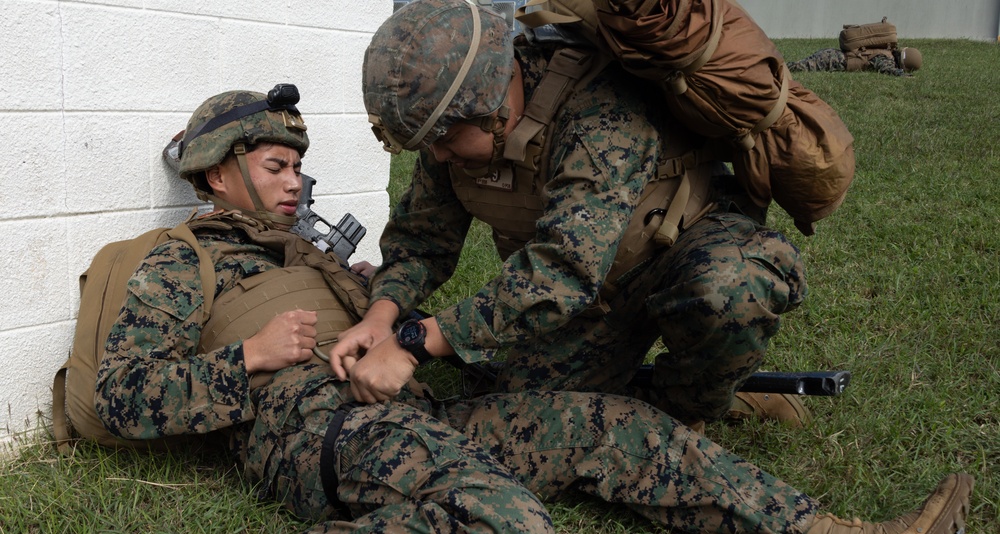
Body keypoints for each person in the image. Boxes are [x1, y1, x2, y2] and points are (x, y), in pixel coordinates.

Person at [95, 86, 974, 534]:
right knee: (509, 533)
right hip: (318, 433)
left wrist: (376, 312)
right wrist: (248, 358)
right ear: (216, 173)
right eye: (275, 166)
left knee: (602, 422)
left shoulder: (315, 259)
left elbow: (412, 286)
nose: (296, 184)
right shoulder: (183, 262)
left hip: (416, 411)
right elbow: (121, 395)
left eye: (298, 166)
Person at [334, 0, 813, 431]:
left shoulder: (597, 110)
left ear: (496, 103)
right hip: (596, 294)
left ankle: (692, 406)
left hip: (678, 253)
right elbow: (422, 240)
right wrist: (383, 314)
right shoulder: (452, 130)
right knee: (522, 418)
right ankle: (658, 397)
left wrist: (416, 341)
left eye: (446, 139)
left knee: (730, 290)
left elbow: (565, 267)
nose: (437, 157)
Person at [788, 45, 922, 77]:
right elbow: (885, 68)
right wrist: (900, 74)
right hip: (833, 60)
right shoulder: (886, 58)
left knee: (800, 65)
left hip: (832, 54)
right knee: (797, 68)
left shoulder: (886, 51)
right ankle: (775, 66)